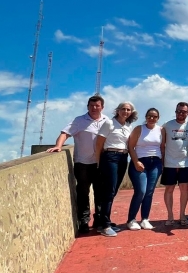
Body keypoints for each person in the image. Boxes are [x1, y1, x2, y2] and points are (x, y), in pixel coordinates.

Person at [47, 95, 109, 233]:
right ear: (88, 107)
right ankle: (84, 221)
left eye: (97, 106)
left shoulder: (107, 121)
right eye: (91, 106)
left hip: (100, 162)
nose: (94, 108)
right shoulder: (79, 121)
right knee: (83, 192)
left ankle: (99, 220)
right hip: (83, 163)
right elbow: (64, 133)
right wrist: (58, 146)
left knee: (100, 193)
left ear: (102, 107)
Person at [94, 101, 137, 237]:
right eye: (123, 109)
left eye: (128, 110)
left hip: (123, 158)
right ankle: (105, 226)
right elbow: (99, 143)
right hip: (110, 156)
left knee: (113, 191)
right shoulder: (109, 123)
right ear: (117, 110)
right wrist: (98, 163)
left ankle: (104, 220)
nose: (125, 111)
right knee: (109, 190)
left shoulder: (128, 126)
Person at [126, 108, 164, 231]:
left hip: (156, 163)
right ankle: (131, 220)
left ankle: (144, 219)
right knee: (141, 191)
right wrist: (136, 161)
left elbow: (162, 147)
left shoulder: (161, 130)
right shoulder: (139, 129)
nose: (151, 118)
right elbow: (130, 146)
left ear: (158, 118)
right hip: (140, 162)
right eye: (149, 116)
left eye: (154, 116)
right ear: (146, 117)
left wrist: (162, 163)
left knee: (149, 192)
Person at [161, 102, 188, 226]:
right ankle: (170, 215)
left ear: (187, 113)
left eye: (184, 112)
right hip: (169, 163)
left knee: (184, 189)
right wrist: (163, 162)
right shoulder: (167, 126)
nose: (181, 114)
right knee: (169, 189)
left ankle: (182, 215)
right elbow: (162, 145)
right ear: (175, 112)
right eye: (179, 111)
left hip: (185, 163)